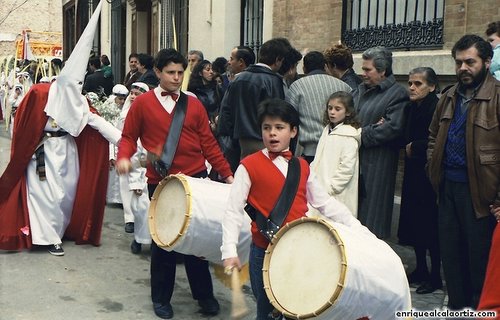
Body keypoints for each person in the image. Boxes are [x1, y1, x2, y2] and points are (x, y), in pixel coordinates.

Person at [221, 98, 368, 320]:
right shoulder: (249, 165)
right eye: (266, 128)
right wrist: (229, 250)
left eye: (279, 128)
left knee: (297, 307)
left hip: (300, 250)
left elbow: (324, 203)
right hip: (264, 252)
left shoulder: (302, 166)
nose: (272, 134)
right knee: (267, 311)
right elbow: (232, 211)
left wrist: (356, 227)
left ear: (293, 131)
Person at [116, 48, 234, 319]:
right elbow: (127, 138)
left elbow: (209, 144)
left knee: (198, 240)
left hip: (196, 180)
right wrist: (123, 157)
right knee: (164, 244)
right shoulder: (143, 104)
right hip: (161, 182)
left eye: (181, 73)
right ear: (157, 72)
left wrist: (227, 174)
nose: (177, 78)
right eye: (171, 73)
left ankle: (204, 295)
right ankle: (161, 298)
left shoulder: (193, 104)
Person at [427, 34, 500, 310]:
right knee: (451, 258)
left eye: (470, 62)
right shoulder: (447, 97)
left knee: (479, 260)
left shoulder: (497, 97)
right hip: (447, 189)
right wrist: (432, 165)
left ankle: (480, 311)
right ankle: (456, 310)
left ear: (487, 61)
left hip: (482, 195)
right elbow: (433, 137)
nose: (463, 69)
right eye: (459, 62)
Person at [352, 46, 409, 238]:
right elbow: (345, 118)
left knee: (372, 220)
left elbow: (391, 128)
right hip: (353, 162)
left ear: (383, 71)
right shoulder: (358, 91)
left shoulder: (397, 94)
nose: (363, 74)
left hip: (378, 165)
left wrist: (358, 134)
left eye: (368, 70)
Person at [397, 67, 442, 294]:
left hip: (429, 174)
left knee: (430, 225)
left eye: (418, 84)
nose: (412, 88)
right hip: (413, 172)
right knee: (415, 223)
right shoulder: (410, 107)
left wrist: (416, 147)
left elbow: (439, 139)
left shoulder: (436, 107)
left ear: (432, 86)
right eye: (410, 83)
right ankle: (421, 269)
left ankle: (435, 277)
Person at [227, 38, 293, 159]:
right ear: (278, 60)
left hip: (241, 139)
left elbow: (226, 110)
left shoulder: (238, 79)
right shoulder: (273, 81)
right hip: (265, 138)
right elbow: (278, 112)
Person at [286, 51, 352, 163]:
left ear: (304, 68)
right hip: (340, 149)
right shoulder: (344, 86)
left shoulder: (296, 86)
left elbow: (289, 118)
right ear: (325, 66)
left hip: (309, 152)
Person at [310, 91, 361, 216]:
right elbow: (319, 157)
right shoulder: (327, 130)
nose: (332, 112)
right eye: (330, 108)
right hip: (320, 186)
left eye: (338, 109)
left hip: (335, 191)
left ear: (348, 112)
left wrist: (332, 188)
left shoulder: (349, 135)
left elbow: (347, 167)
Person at [116, 82, 151, 252]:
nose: (133, 96)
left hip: (147, 166)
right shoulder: (125, 116)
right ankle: (133, 227)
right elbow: (122, 139)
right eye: (132, 93)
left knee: (148, 205)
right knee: (134, 199)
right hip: (130, 162)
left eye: (138, 94)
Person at [217, 45, 256, 173]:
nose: (229, 62)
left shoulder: (240, 81)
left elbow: (231, 110)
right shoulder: (239, 79)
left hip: (235, 140)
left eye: (232, 58)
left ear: (241, 62)